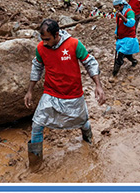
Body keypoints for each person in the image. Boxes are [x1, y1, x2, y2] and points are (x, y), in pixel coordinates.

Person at [24, 19, 105, 170]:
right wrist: (29, 91)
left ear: (56, 34)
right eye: (42, 40)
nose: (45, 43)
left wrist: (98, 85)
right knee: (37, 124)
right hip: (51, 93)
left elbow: (90, 63)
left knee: (82, 122)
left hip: (73, 94)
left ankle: (89, 144)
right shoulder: (41, 48)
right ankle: (35, 166)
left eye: (47, 39)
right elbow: (37, 68)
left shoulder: (74, 44)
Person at [112, 0, 140, 76]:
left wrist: (122, 17)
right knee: (127, 54)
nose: (116, 10)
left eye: (117, 7)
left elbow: (131, 23)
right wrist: (116, 33)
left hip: (129, 37)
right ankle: (134, 61)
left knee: (120, 54)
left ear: (122, 5)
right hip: (121, 37)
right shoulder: (119, 13)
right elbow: (118, 25)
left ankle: (115, 72)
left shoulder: (129, 12)